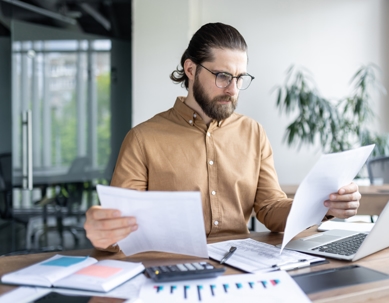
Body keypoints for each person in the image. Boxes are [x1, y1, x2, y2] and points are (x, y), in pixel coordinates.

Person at [84, 22, 361, 251]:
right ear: (190, 69)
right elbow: (119, 226)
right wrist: (103, 231)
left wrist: (325, 205)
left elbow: (270, 208)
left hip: (241, 264)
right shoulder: (143, 138)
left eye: (240, 78)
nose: (232, 89)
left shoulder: (253, 132)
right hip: (170, 268)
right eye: (222, 76)